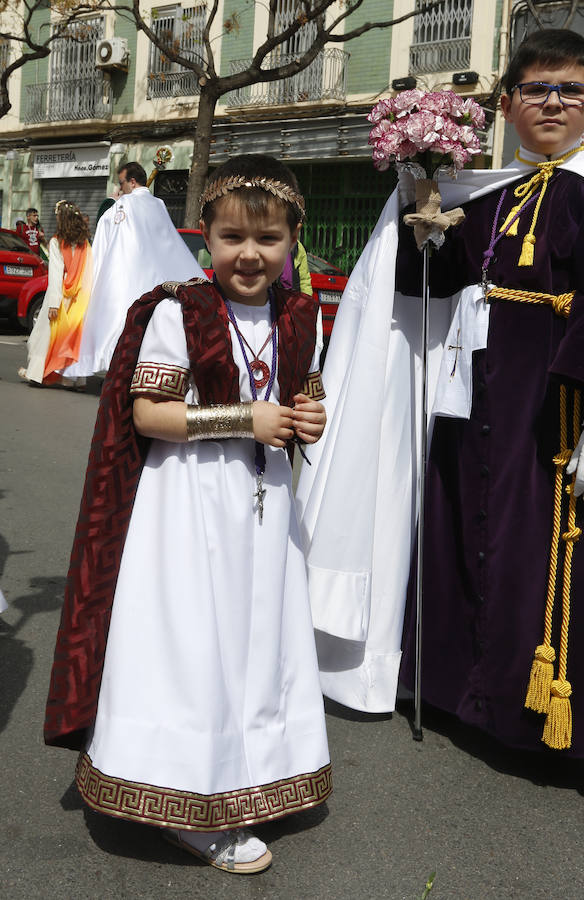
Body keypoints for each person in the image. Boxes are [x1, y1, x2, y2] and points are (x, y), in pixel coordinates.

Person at [297, 29, 584, 757]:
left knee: (538, 554)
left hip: (552, 409)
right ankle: (463, 693)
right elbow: (423, 282)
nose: (552, 103)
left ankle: (539, 720)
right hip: (468, 402)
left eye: (571, 90)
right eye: (536, 89)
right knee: (461, 530)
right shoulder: (488, 192)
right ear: (507, 103)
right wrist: (419, 194)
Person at [44, 154, 331, 873]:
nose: (249, 253)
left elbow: (304, 395)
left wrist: (309, 417)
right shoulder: (181, 309)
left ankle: (251, 777)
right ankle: (189, 802)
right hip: (188, 508)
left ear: (293, 238)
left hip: (264, 512)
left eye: (267, 239)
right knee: (193, 644)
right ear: (205, 236)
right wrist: (245, 419)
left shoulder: (301, 313)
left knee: (258, 642)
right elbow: (148, 413)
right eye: (232, 236)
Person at [61, 161, 205, 378]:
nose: (120, 189)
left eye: (122, 183)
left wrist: (113, 203)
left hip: (127, 276)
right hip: (158, 276)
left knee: (117, 321)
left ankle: (115, 363)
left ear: (132, 181)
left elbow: (107, 235)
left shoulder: (123, 205)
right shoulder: (159, 204)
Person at [18, 200, 92, 387]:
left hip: (60, 296)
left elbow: (56, 275)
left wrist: (53, 304)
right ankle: (75, 380)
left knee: (43, 336)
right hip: (79, 299)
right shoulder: (85, 243)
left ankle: (37, 374)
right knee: (73, 339)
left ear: (61, 219)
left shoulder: (56, 242)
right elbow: (90, 270)